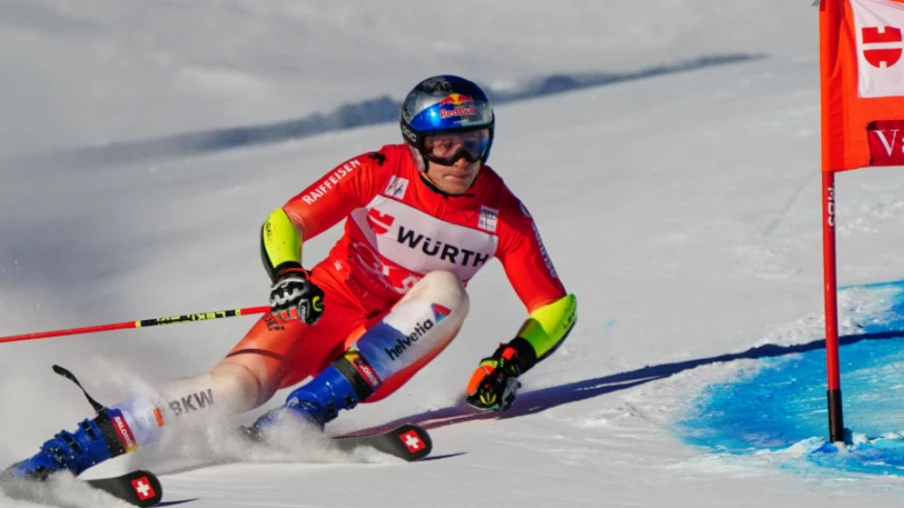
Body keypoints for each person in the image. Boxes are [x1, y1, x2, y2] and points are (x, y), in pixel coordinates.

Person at [5, 75, 577, 480]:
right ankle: (66, 455)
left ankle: (303, 414)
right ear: (417, 144)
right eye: (446, 146)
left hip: (391, 344)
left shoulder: (502, 215)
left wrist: (508, 364)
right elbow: (287, 220)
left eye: (474, 143)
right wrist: (288, 275)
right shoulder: (375, 171)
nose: (462, 161)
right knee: (233, 387)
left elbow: (555, 307)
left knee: (446, 290)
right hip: (324, 303)